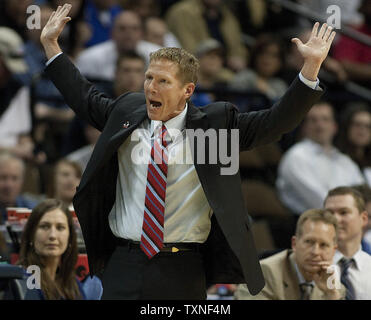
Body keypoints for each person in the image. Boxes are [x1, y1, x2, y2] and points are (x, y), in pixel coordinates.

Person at [40, 3, 335, 299]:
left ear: (187, 91)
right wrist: (52, 45)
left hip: (183, 266)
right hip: (125, 260)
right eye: (149, 78)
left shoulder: (214, 127)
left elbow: (275, 122)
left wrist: (309, 69)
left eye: (163, 81)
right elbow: (84, 97)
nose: (151, 88)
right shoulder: (127, 111)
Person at [277, 102, 365, 216]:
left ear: (334, 127)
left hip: (348, 219)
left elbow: (363, 194)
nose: (320, 125)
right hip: (309, 224)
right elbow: (321, 201)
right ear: (304, 127)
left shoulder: (344, 159)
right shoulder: (296, 156)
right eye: (313, 120)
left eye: (325, 119)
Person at [235, 209, 344, 300]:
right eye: (308, 242)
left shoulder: (333, 283)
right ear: (294, 244)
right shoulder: (263, 273)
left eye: (323, 245)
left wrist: (332, 295)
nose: (315, 252)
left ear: (334, 250)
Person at [18, 198, 85, 299]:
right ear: (31, 234)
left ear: (70, 236)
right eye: (45, 226)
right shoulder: (24, 279)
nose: (52, 235)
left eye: (60, 227)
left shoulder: (72, 282)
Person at [76, 10, 161, 81]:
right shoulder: (90, 58)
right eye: (122, 28)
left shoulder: (158, 56)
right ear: (112, 32)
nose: (128, 34)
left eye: (134, 28)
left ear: (142, 33)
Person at [165, 0, 247, 72]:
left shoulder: (228, 16)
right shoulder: (182, 13)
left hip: (227, 71)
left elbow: (238, 48)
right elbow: (188, 53)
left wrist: (239, 59)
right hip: (194, 72)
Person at [324, 186, 371, 300]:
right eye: (329, 213)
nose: (335, 219)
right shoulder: (308, 266)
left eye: (343, 212)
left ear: (364, 218)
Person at [335, 103, 371, 184]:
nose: (362, 130)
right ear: (347, 127)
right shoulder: (335, 159)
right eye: (357, 125)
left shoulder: (368, 165)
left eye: (368, 126)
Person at [0, 152, 37, 224]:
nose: (9, 185)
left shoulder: (32, 210)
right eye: (3, 177)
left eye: (14, 178)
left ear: (22, 181)